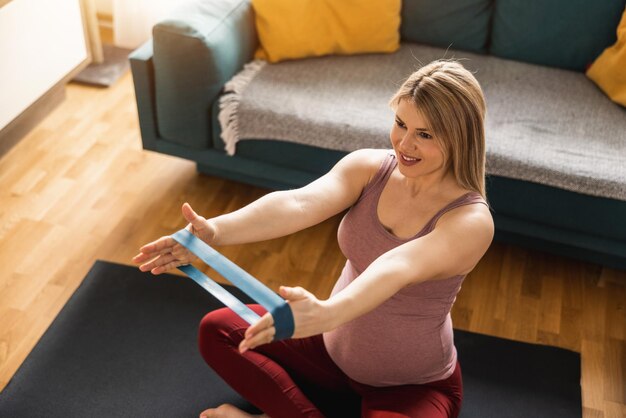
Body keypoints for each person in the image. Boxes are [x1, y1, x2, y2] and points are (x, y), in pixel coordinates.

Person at [133, 59, 494, 418]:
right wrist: (213, 232)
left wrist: (326, 313)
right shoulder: (370, 168)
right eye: (400, 123)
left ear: (459, 137)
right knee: (218, 331)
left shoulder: (470, 221)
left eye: (425, 134)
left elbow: (396, 266)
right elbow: (298, 202)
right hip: (329, 350)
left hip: (410, 387)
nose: (404, 143)